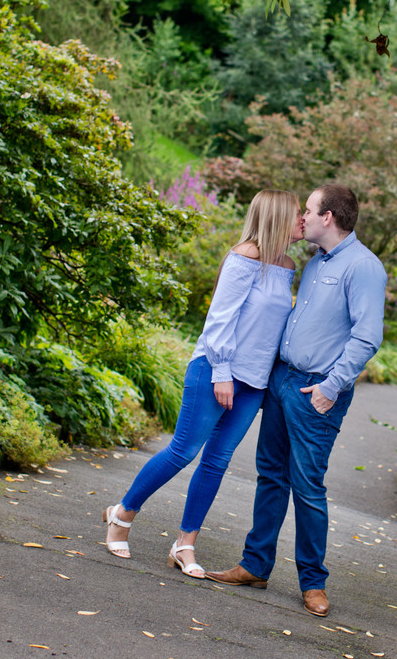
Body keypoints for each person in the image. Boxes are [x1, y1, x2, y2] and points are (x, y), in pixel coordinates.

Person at [205, 184, 386, 618]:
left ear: (329, 218)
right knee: (270, 475)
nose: (300, 218)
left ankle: (313, 583)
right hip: (282, 380)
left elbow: (367, 336)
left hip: (317, 391)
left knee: (307, 486)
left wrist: (332, 385)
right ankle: (255, 565)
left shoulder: (363, 268)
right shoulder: (314, 261)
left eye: (308, 210)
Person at [102, 189, 304, 578]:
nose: (303, 221)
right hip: (215, 370)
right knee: (183, 451)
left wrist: (261, 382)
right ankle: (122, 515)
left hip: (253, 383)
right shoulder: (244, 257)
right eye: (298, 214)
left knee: (217, 461)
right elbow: (220, 319)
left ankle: (184, 544)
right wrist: (224, 373)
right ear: (278, 216)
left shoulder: (288, 265)